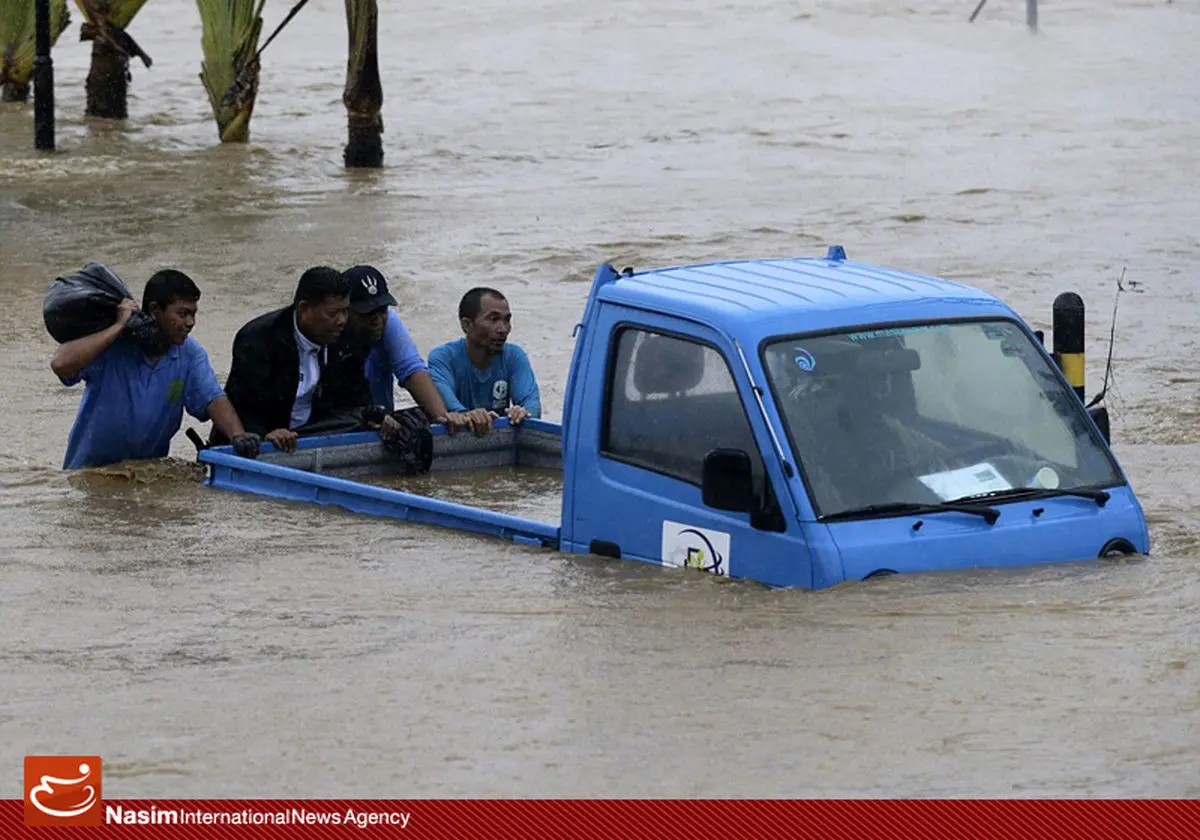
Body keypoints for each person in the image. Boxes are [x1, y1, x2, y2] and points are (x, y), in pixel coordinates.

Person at [51, 269, 259, 470]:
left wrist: (237, 436)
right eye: (182, 314)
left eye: (193, 314)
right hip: (89, 473)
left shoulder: (189, 354)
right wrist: (118, 326)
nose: (190, 323)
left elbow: (213, 398)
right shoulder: (111, 346)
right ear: (154, 310)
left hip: (144, 477)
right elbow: (60, 364)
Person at [219, 266, 402, 453]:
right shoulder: (258, 339)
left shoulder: (348, 337)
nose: (341, 320)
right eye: (333, 313)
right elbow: (241, 405)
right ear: (305, 310)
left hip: (313, 434)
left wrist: (375, 415)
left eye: (346, 311)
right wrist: (265, 433)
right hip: (263, 439)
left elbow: (355, 398)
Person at [342, 265, 469, 433]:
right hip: (342, 424)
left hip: (384, 424)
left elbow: (412, 371)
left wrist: (444, 419)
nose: (377, 320)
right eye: (367, 313)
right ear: (343, 311)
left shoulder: (388, 323)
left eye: (382, 310)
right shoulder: (329, 333)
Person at [427, 287, 541, 436]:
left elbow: (532, 406)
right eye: (493, 319)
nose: (503, 329)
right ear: (466, 325)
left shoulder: (514, 356)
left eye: (507, 320)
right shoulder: (442, 358)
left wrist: (522, 412)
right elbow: (448, 406)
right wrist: (468, 415)